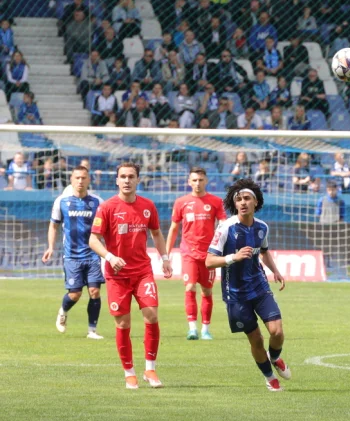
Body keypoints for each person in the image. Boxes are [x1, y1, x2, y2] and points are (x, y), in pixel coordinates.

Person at [87, 162, 174, 389]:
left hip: (143, 271)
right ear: (116, 180)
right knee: (123, 323)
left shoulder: (148, 206)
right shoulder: (106, 208)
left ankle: (150, 370)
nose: (126, 180)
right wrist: (109, 257)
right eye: (123, 176)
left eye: (131, 176)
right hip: (116, 275)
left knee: (151, 316)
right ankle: (129, 372)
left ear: (138, 180)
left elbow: (156, 233)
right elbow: (93, 240)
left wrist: (165, 259)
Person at [204, 179, 290, 391]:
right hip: (235, 294)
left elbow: (264, 251)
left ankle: (275, 357)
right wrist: (232, 257)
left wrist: (275, 270)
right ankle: (270, 377)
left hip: (259, 287)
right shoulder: (226, 228)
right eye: (238, 199)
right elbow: (208, 261)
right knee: (256, 339)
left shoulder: (262, 227)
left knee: (277, 332)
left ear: (255, 202)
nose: (242, 202)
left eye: (246, 198)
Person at [43, 166, 105, 339]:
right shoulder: (61, 201)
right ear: (71, 179)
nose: (80, 181)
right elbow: (53, 225)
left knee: (94, 291)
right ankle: (63, 311)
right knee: (75, 294)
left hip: (93, 254)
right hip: (71, 255)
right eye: (77, 178)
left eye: (83, 178)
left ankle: (92, 331)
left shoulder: (98, 202)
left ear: (89, 180)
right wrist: (50, 247)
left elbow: (106, 227)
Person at [165, 167, 226, 341]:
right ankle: (192, 328)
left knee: (207, 291)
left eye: (200, 180)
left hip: (209, 255)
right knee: (190, 286)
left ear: (206, 181)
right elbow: (174, 229)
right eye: (194, 180)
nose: (197, 183)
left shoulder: (215, 201)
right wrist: (166, 255)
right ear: (189, 182)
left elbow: (223, 224)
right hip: (188, 252)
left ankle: (206, 329)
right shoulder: (181, 202)